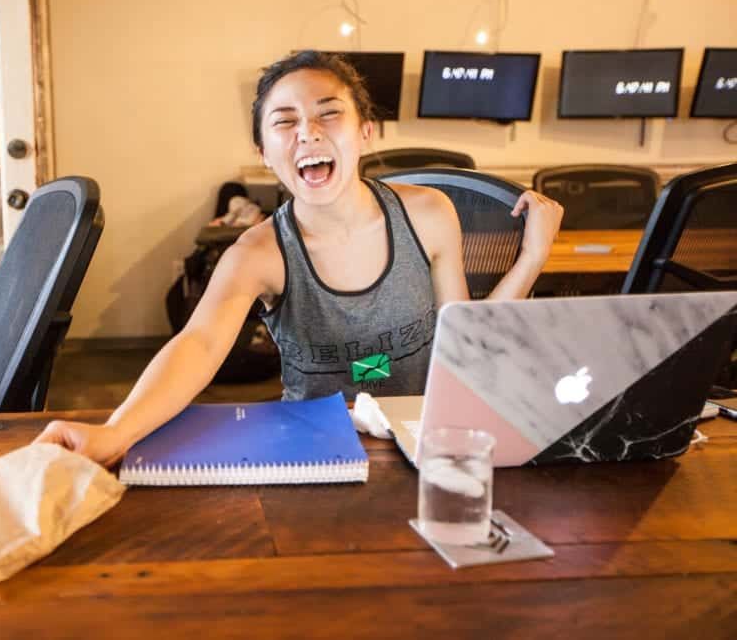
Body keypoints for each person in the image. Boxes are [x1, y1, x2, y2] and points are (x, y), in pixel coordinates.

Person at [35, 50, 563, 466]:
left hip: (425, 442)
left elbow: (465, 343)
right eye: (284, 122)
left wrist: (532, 256)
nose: (308, 131)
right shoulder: (257, 253)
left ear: (364, 132)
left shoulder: (428, 214)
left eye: (328, 114)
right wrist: (115, 433)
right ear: (265, 155)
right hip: (312, 450)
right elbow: (197, 344)